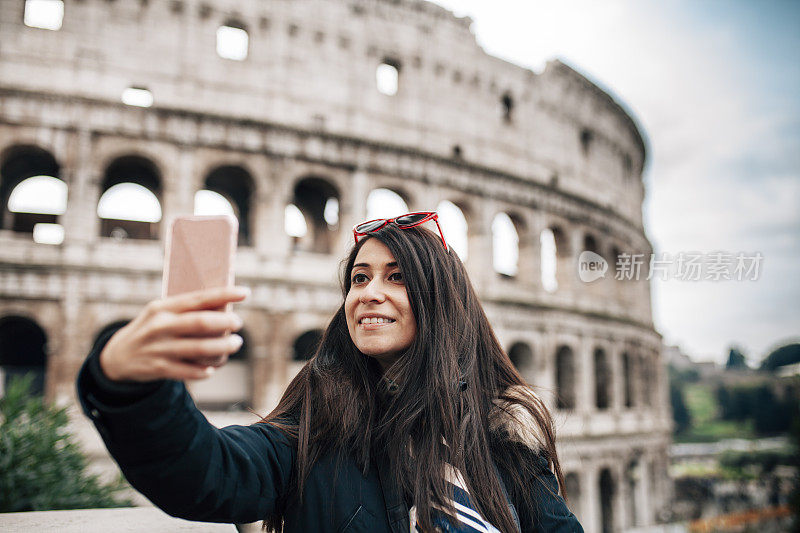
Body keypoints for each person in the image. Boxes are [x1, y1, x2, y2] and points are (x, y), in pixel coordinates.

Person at [77, 212, 583, 532]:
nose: (367, 293)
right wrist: (130, 384)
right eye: (359, 278)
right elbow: (209, 474)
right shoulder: (319, 422)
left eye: (398, 278)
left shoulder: (502, 433)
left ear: (442, 301)